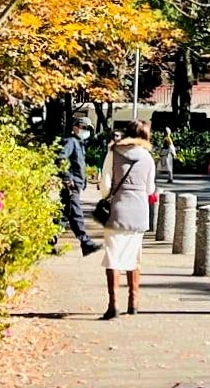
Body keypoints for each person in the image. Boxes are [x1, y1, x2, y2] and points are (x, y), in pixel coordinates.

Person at [99, 120, 156, 319]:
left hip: (118, 210)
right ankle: (134, 303)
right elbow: (150, 189)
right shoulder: (148, 158)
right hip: (139, 211)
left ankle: (113, 305)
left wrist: (108, 194)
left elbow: (105, 184)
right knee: (134, 258)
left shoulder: (113, 153)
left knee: (113, 258)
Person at [59, 122, 101, 258]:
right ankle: (86, 242)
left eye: (88, 129)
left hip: (76, 184)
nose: (86, 131)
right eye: (84, 128)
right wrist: (67, 178)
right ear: (75, 127)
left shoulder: (79, 144)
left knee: (65, 215)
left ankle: (48, 242)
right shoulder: (70, 142)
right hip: (71, 185)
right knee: (75, 213)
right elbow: (61, 159)